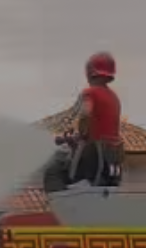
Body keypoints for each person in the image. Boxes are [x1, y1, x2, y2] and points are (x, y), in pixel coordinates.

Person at [46, 51, 123, 190]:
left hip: (91, 158)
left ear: (90, 72)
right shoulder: (114, 97)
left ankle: (64, 200)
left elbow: (85, 114)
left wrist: (80, 134)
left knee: (53, 171)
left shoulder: (89, 92)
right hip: (109, 161)